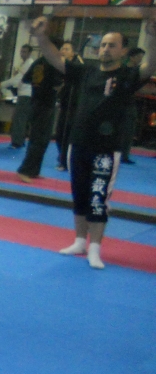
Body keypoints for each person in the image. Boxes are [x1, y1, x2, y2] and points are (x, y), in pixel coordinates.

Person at [31, 16, 155, 269]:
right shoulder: (85, 71)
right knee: (79, 194)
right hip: (79, 143)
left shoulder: (128, 75)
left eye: (112, 45)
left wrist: (153, 36)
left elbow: (150, 65)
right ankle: (79, 241)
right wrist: (41, 37)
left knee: (98, 198)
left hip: (106, 148)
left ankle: (95, 248)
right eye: (103, 45)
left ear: (123, 51)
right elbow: (55, 59)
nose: (105, 49)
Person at [16, 46, 64, 182]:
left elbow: (26, 79)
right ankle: (25, 170)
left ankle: (33, 170)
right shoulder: (52, 64)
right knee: (39, 140)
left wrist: (38, 84)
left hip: (36, 103)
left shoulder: (38, 62)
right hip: (45, 105)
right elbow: (57, 83)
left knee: (40, 139)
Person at [54, 41, 82, 171]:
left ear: (72, 53)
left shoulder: (77, 66)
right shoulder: (59, 67)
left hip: (75, 106)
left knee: (67, 134)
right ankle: (63, 156)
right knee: (59, 134)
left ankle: (65, 160)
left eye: (67, 49)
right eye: (62, 48)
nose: (63, 51)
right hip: (64, 104)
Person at [0, 44, 34, 148]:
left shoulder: (29, 64)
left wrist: (1, 85)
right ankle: (20, 140)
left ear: (29, 53)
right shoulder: (23, 64)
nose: (22, 54)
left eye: (24, 52)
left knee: (19, 118)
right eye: (21, 51)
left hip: (26, 94)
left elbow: (17, 80)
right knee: (20, 118)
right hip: (23, 94)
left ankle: (17, 142)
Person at [119, 47, 145, 164]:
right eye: (139, 57)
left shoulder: (137, 70)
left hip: (129, 103)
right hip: (120, 103)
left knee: (128, 130)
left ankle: (124, 154)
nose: (141, 60)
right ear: (132, 57)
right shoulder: (122, 69)